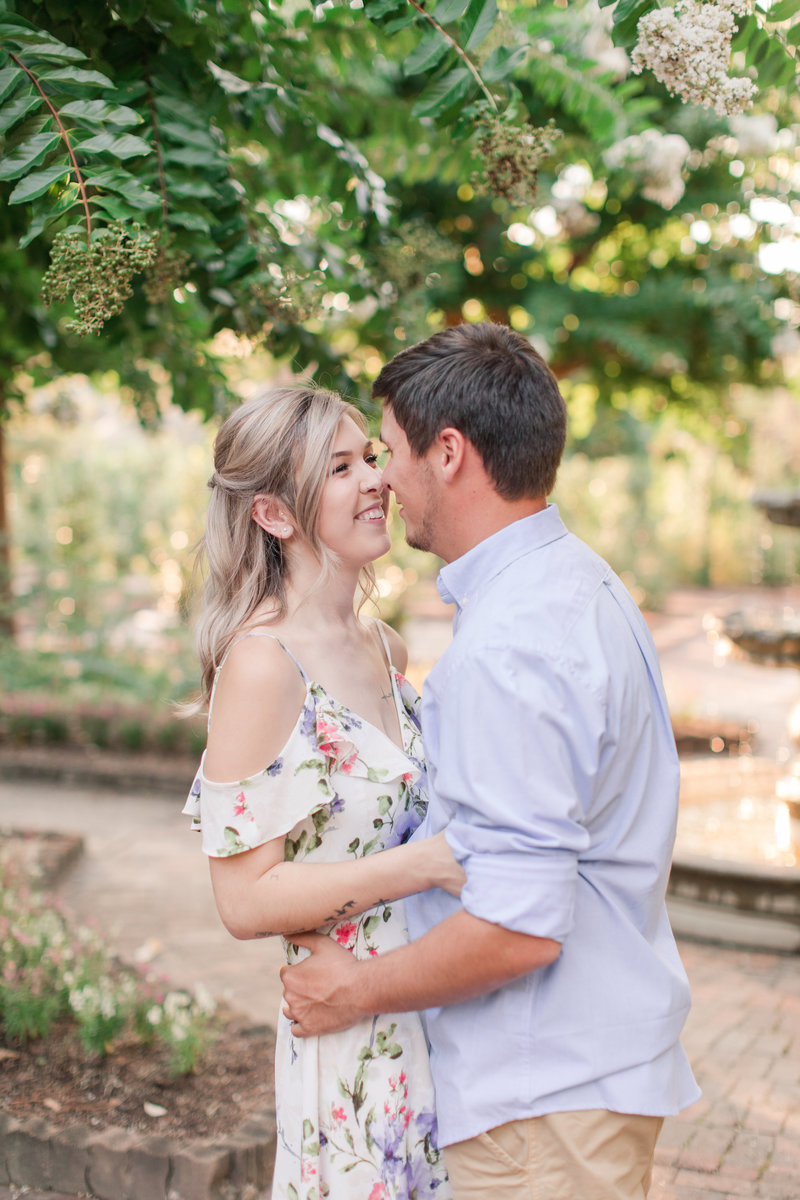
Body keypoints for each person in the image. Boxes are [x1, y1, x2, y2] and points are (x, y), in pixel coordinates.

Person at [280, 322, 701, 1200]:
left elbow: (518, 926)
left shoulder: (509, 647)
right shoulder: (576, 581)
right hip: (583, 1079)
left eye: (387, 451)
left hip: (541, 1104)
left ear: (448, 452)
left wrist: (352, 992)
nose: (382, 481)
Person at [181, 385, 463, 1199]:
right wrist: (425, 867)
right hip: (351, 1046)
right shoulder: (264, 666)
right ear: (274, 514)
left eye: (369, 457)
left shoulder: (385, 644)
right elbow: (243, 899)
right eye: (339, 468)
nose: (373, 478)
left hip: (433, 1017)